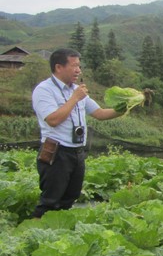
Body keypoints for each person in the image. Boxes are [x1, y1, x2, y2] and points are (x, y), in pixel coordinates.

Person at [31, 48, 122, 218]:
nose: (78, 70)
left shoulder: (77, 90)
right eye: (74, 66)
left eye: (79, 66)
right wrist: (74, 98)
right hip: (57, 152)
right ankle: (33, 235)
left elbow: (100, 113)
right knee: (50, 200)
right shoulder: (44, 90)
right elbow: (52, 119)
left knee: (69, 198)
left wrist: (126, 107)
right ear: (59, 67)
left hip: (77, 152)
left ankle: (59, 233)